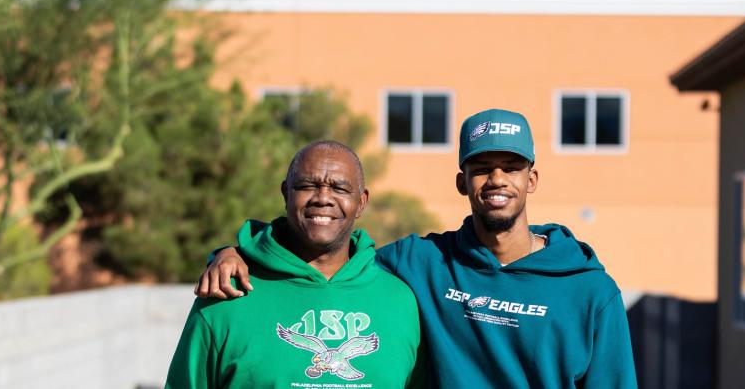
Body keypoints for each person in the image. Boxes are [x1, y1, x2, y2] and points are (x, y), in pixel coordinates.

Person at [199, 109, 637, 388]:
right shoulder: (423, 262)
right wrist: (236, 251)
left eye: (512, 167)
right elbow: (330, 249)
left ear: (532, 180)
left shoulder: (591, 293)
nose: (497, 180)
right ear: (462, 182)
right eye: (481, 168)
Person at [166, 141, 424, 388]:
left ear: (361, 202)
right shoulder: (226, 295)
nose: (323, 198)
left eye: (339, 188)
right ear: (285, 193)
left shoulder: (401, 301)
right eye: (307, 186)